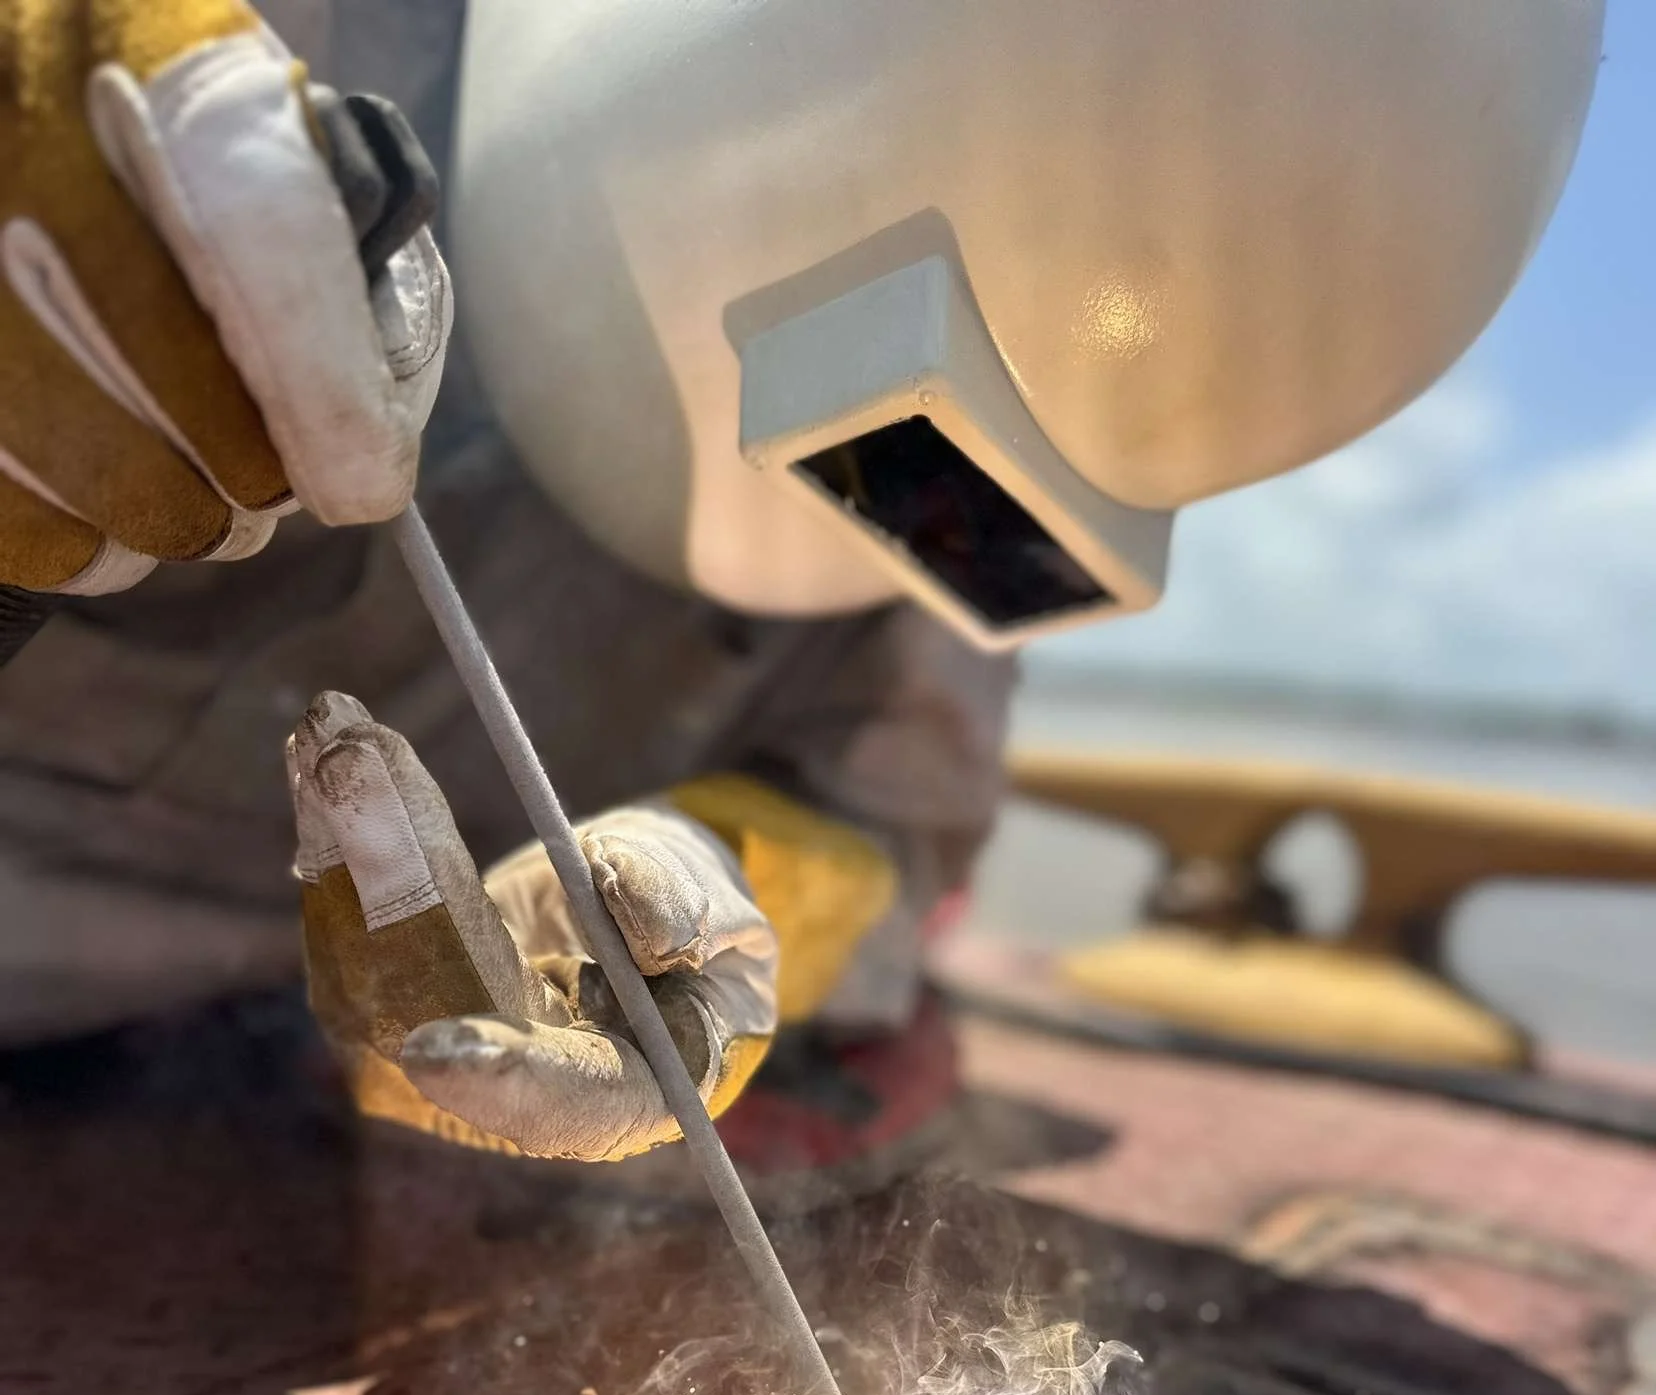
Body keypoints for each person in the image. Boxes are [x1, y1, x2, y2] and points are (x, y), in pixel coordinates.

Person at [0, 0, 1601, 1182]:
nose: (879, 493)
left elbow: (892, 808)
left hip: (228, 1105)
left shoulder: (983, 498)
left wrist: (729, 867)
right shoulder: (210, 65)